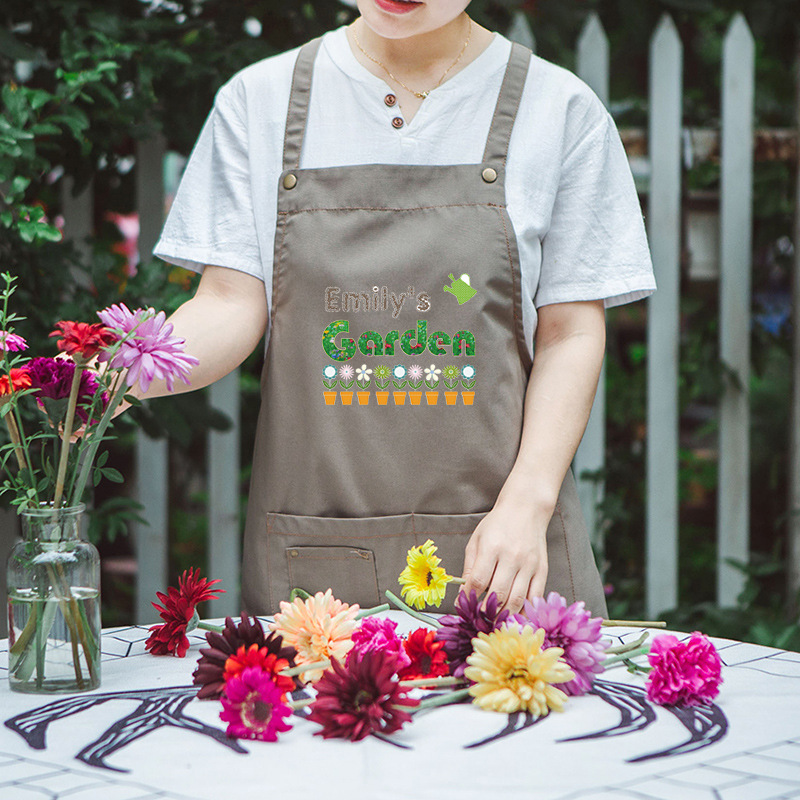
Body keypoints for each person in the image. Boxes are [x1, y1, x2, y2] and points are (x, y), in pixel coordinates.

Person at [145, 0, 656, 617]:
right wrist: (106, 374)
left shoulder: (560, 111)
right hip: (315, 568)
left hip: (503, 558)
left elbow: (570, 334)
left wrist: (529, 502)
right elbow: (228, 305)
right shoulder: (260, 102)